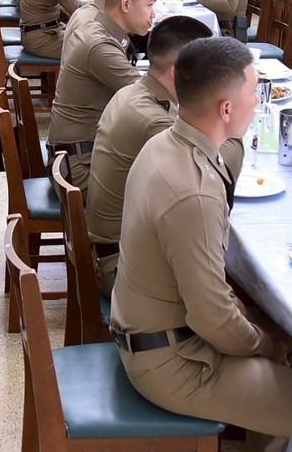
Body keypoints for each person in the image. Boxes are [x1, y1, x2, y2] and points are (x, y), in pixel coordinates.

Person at [111, 37, 292, 452]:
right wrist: (265, 343)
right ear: (226, 109)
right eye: (254, 92)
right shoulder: (194, 190)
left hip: (156, 331)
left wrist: (266, 335)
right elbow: (212, 317)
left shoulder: (166, 143)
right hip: (173, 362)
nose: (257, 103)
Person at [86, 16, 213, 292]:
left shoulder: (132, 92)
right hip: (120, 264)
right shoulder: (155, 121)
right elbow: (205, 186)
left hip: (111, 245)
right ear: (180, 71)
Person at [48, 0, 160, 191]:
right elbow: (150, 99)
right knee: (168, 189)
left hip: (80, 152)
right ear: (126, 4)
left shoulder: (98, 27)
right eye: (150, 5)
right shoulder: (99, 45)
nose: (154, 14)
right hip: (80, 166)